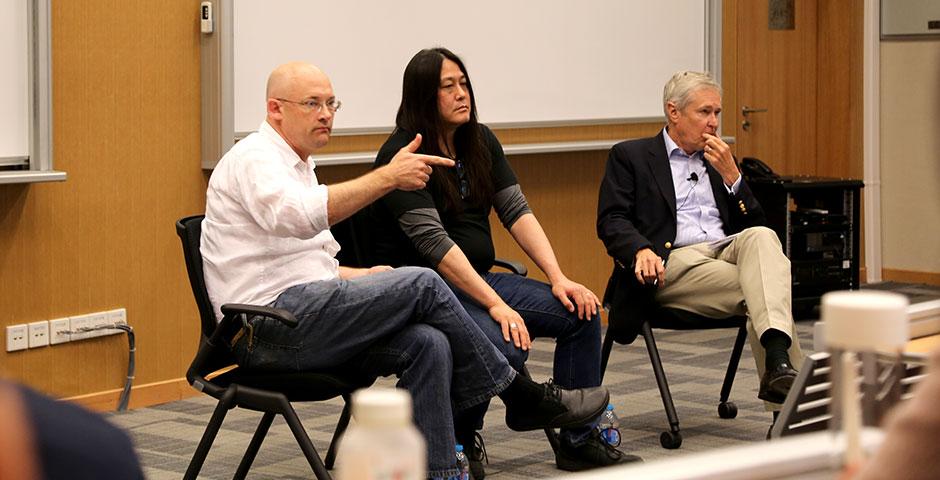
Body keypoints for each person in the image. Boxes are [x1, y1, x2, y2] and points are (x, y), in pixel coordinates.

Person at [200, 61, 609, 480]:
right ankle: (521, 395)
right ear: (275, 109)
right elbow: (298, 219)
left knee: (427, 341)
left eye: (331, 103)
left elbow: (306, 266)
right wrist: (387, 178)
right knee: (423, 281)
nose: (326, 113)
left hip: (303, 317)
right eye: (312, 104)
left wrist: (364, 276)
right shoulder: (253, 159)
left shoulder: (299, 165)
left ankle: (440, 471)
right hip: (265, 332)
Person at [369, 48, 639, 476]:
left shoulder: (480, 140)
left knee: (582, 311)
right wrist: (495, 303)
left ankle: (578, 440)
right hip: (428, 292)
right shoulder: (402, 155)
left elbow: (517, 212)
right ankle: (457, 437)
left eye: (464, 83)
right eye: (448, 86)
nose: (462, 94)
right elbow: (434, 247)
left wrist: (559, 277)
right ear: (422, 95)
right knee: (504, 342)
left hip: (480, 279)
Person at [596, 71, 804, 412]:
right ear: (673, 112)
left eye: (717, 113)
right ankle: (788, 412)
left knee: (764, 245)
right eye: (704, 112)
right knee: (768, 290)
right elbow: (611, 219)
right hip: (670, 265)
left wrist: (733, 178)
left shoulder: (720, 160)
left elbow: (756, 227)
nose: (713, 123)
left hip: (724, 255)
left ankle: (779, 370)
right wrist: (639, 249)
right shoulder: (631, 157)